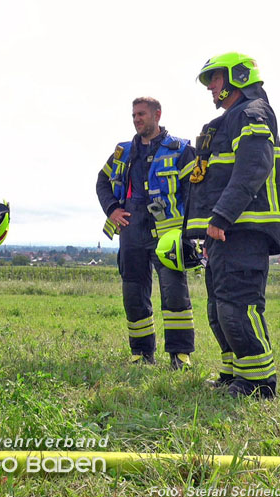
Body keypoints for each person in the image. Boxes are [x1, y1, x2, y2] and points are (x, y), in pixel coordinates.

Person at [186, 53, 280, 399]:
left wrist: (221, 216)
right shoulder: (228, 120)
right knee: (219, 309)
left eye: (214, 78)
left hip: (243, 229)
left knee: (238, 305)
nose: (210, 87)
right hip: (224, 231)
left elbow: (254, 166)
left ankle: (259, 384)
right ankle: (234, 374)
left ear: (237, 77)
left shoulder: (252, 113)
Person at [96, 98, 196, 369]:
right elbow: (102, 181)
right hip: (131, 232)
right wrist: (112, 209)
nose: (136, 119)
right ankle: (141, 353)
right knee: (133, 294)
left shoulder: (181, 150)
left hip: (168, 235)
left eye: (141, 114)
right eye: (134, 115)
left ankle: (180, 354)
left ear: (157, 115)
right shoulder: (123, 152)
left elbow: (195, 191)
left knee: (174, 293)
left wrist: (191, 232)